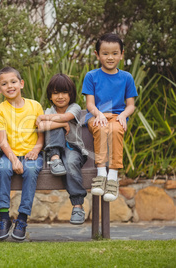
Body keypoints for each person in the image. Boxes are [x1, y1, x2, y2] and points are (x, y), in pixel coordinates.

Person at [82, 33, 138, 202]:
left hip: (117, 117)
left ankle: (112, 177)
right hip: (97, 116)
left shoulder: (127, 78)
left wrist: (123, 116)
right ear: (97, 55)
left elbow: (131, 105)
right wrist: (98, 114)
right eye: (105, 53)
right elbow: (90, 104)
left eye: (115, 53)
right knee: (102, 127)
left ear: (122, 54)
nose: (110, 57)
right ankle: (101, 175)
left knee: (114, 129)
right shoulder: (91, 76)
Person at [0, 67, 44, 240]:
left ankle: (22, 219)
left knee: (30, 170)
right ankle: (4, 217)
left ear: (21, 84)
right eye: (4, 84)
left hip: (32, 154)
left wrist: (36, 149)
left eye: (13, 82)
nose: (10, 86)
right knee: (3, 169)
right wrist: (14, 159)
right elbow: (2, 141)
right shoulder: (0, 110)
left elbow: (41, 135)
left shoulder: (35, 106)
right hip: (10, 154)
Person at [37, 73, 89, 225]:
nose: (60, 96)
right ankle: (55, 159)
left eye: (64, 92)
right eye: (55, 93)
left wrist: (50, 120)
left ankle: (78, 206)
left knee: (71, 163)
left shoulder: (75, 108)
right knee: (56, 128)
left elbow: (65, 117)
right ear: (50, 96)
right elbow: (41, 127)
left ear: (71, 94)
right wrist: (61, 125)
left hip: (73, 149)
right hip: (54, 153)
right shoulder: (49, 110)